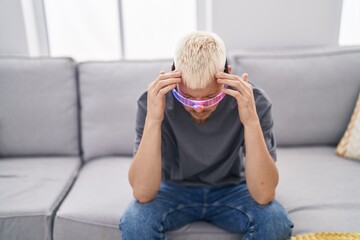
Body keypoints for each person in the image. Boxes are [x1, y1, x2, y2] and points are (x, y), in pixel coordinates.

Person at [119, 31, 294, 239]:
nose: (199, 107)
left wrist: (250, 120)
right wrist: (154, 119)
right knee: (136, 222)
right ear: (173, 78)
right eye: (188, 97)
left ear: (227, 75)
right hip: (173, 188)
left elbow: (264, 194)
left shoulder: (253, 100)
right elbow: (142, 192)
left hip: (232, 188)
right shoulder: (153, 100)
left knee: (275, 222)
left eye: (210, 97)